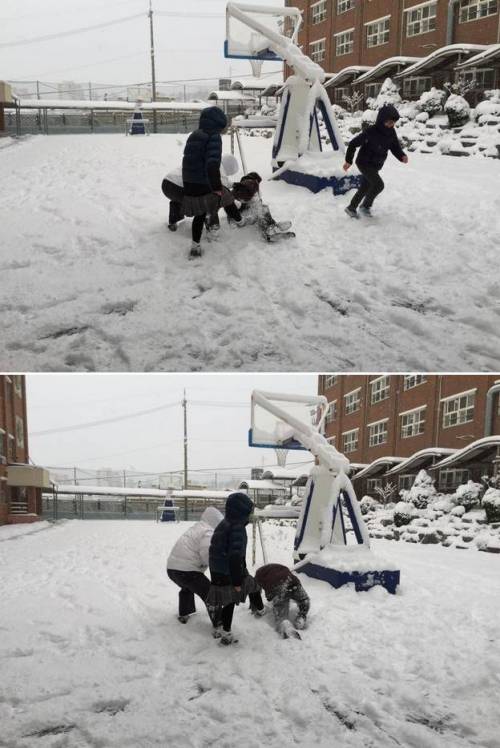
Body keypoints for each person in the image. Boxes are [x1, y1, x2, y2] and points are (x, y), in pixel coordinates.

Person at [182, 106, 245, 257]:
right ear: (218, 124)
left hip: (190, 181)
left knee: (200, 213)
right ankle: (239, 221)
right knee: (226, 195)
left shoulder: (194, 134)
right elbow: (212, 164)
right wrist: (216, 187)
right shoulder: (213, 136)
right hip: (203, 182)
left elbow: (188, 160)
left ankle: (195, 246)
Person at [207, 492, 265, 645]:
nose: (250, 514)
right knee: (252, 587)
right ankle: (259, 610)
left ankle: (222, 629)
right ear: (242, 511)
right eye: (249, 511)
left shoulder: (224, 523)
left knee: (227, 600)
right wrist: (237, 581)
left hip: (217, 569)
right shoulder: (237, 527)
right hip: (229, 570)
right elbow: (235, 556)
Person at [343, 103, 408, 218]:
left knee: (366, 186)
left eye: (393, 123)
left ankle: (351, 208)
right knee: (378, 185)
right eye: (388, 122)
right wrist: (349, 160)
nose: (390, 125)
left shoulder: (391, 132)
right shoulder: (371, 131)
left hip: (376, 164)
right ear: (381, 120)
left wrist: (401, 156)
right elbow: (353, 144)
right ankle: (365, 207)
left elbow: (395, 147)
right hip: (364, 162)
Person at [167, 506, 223, 628]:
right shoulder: (208, 532)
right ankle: (220, 624)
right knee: (210, 593)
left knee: (187, 587)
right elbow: (207, 554)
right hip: (186, 570)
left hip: (172, 569)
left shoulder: (197, 527)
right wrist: (218, 566)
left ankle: (185, 613)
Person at [161, 153, 240, 233]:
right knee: (210, 201)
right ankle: (212, 227)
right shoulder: (219, 169)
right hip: (179, 186)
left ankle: (173, 221)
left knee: (183, 198)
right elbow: (221, 187)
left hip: (167, 184)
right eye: (230, 173)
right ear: (228, 167)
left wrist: (233, 184)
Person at [255, 563, 310, 640]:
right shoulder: (279, 567)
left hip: (278, 586)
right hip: (293, 582)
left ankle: (286, 626)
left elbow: (257, 593)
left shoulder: (258, 576)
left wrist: (259, 606)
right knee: (304, 600)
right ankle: (301, 617)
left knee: (280, 609)